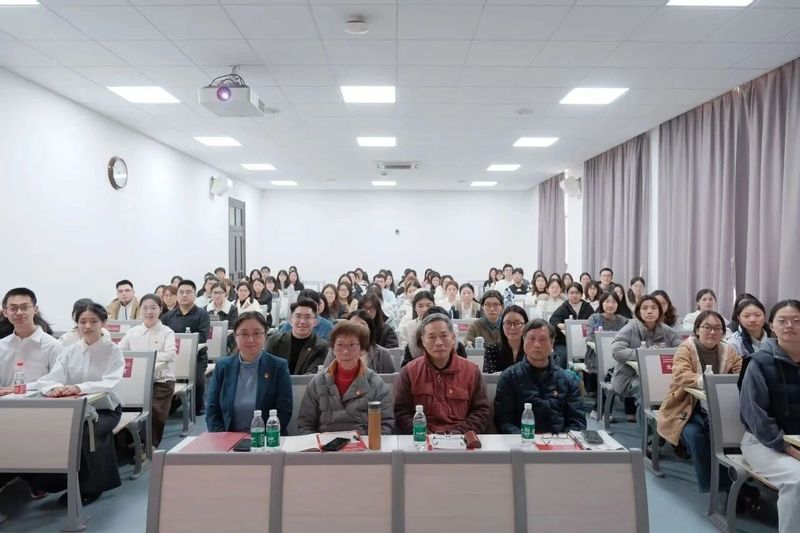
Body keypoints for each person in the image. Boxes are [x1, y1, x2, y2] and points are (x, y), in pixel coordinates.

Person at [34, 301, 124, 505]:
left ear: (103, 323)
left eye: (93, 321)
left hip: (106, 409)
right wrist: (54, 388)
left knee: (85, 432)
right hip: (74, 410)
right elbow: (50, 379)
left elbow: (110, 382)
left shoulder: (113, 350)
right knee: (46, 431)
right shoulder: (70, 351)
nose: (88, 326)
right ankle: (56, 481)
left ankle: (90, 488)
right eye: (82, 321)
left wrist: (78, 387)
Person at [656, 310, 741, 493]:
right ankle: (716, 486)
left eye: (717, 328)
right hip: (685, 407)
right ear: (697, 330)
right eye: (707, 327)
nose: (712, 332)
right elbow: (681, 374)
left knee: (722, 435)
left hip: (717, 408)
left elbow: (741, 372)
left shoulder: (728, 350)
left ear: (723, 332)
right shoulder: (686, 348)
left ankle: (730, 484)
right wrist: (708, 381)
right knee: (695, 436)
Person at [740, 300, 800, 533]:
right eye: (782, 321)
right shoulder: (759, 363)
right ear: (772, 325)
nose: (789, 326)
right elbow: (755, 415)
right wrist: (788, 448)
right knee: (797, 480)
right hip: (763, 441)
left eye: (796, 321)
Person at [394, 312, 490, 434]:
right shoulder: (409, 371)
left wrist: (459, 433)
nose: (438, 342)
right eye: (432, 337)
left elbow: (481, 411)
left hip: (461, 438)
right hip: (422, 438)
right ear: (423, 341)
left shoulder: (472, 371)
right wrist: (423, 433)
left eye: (444, 336)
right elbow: (402, 413)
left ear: (453, 338)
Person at [298, 321, 394, 435]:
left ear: (362, 349)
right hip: (326, 444)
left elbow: (385, 423)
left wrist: (371, 442)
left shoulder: (375, 382)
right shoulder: (318, 382)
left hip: (365, 443)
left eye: (352, 345)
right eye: (340, 345)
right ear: (333, 349)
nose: (345, 351)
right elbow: (305, 424)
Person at [494, 319, 586, 434]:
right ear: (523, 340)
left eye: (543, 339)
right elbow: (504, 421)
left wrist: (562, 440)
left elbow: (577, 421)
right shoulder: (509, 377)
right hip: (521, 441)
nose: (537, 345)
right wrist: (526, 439)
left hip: (559, 441)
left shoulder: (568, 380)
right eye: (531, 339)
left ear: (552, 343)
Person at [206, 312, 292, 434]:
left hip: (267, 439)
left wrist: (264, 439)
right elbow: (212, 410)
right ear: (235, 336)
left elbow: (284, 411)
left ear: (265, 335)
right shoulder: (223, 366)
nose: (250, 339)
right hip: (228, 438)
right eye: (244, 334)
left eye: (256, 333)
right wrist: (222, 437)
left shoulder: (278, 366)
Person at [611, 296, 683, 422]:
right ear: (639, 312)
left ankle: (667, 426)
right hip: (629, 376)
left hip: (660, 376)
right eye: (645, 308)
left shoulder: (667, 330)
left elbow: (683, 349)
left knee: (679, 392)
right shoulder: (630, 328)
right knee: (648, 391)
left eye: (654, 308)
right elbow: (617, 351)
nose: (649, 311)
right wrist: (644, 353)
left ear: (659, 311)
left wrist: (662, 353)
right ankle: (648, 430)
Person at [119, 294, 177, 447]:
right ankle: (129, 444)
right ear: (140, 310)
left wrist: (146, 357)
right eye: (145, 308)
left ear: (160, 309)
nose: (149, 312)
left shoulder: (167, 332)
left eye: (153, 308)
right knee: (122, 408)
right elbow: (120, 353)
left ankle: (151, 445)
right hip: (136, 381)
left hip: (162, 381)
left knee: (155, 411)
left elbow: (170, 355)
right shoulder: (133, 332)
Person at [0, 288, 63, 395]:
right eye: (13, 308)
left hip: (39, 403)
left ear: (35, 309)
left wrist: (17, 388)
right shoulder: (2, 345)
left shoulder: (52, 345)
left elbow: (57, 380)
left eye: (25, 307)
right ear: (5, 312)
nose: (19, 312)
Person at [161, 280, 210, 415]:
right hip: (173, 358)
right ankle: (174, 402)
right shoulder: (168, 316)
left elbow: (203, 337)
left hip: (196, 357)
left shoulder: (202, 314)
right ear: (177, 295)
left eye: (188, 292)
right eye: (181, 292)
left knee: (197, 381)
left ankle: (198, 406)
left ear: (195, 295)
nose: (184, 295)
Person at [265, 299, 329, 375]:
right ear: (291, 321)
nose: (302, 321)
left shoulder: (321, 346)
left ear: (315, 322)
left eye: (307, 317)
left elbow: (311, 375)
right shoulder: (274, 342)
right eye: (298, 316)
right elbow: (266, 370)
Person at [322, 310, 396, 373]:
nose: (358, 329)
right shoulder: (335, 351)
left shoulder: (383, 354)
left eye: (363, 324)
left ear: (370, 330)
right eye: (353, 325)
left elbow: (390, 382)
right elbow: (325, 377)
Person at [728, 298, 771, 389]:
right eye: (746, 316)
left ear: (764, 316)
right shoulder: (734, 343)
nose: (752, 320)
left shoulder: (775, 339)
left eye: (757, 315)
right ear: (739, 318)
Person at [549, 282, 594, 369]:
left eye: (577, 293)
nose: (574, 295)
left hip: (584, 342)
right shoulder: (564, 307)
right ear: (567, 294)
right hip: (564, 342)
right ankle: (562, 376)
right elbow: (553, 320)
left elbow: (594, 322)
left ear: (581, 294)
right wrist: (560, 325)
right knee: (563, 356)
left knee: (592, 356)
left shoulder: (587, 307)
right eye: (571, 293)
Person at [585, 291, 629, 375]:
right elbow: (590, 338)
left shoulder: (623, 321)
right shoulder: (594, 318)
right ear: (601, 303)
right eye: (607, 301)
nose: (610, 305)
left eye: (614, 302)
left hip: (617, 358)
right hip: (596, 358)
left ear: (618, 304)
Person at [483, 305, 528, 374]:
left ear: (526, 325)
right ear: (502, 325)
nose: (512, 327)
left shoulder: (532, 350)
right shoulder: (492, 350)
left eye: (517, 323)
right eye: (508, 323)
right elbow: (489, 377)